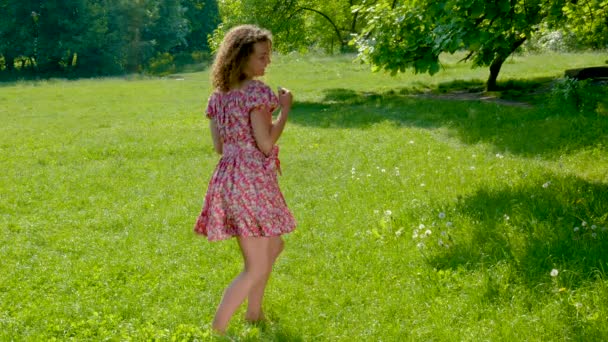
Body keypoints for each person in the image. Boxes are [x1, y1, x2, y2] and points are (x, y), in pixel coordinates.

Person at [193, 24, 296, 334]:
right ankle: (218, 331)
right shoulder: (256, 93)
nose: (267, 63)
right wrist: (285, 111)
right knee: (256, 266)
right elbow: (265, 144)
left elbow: (219, 147)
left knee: (274, 245)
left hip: (229, 179)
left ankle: (254, 313)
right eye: (262, 57)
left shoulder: (219, 97)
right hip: (252, 182)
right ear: (241, 58)